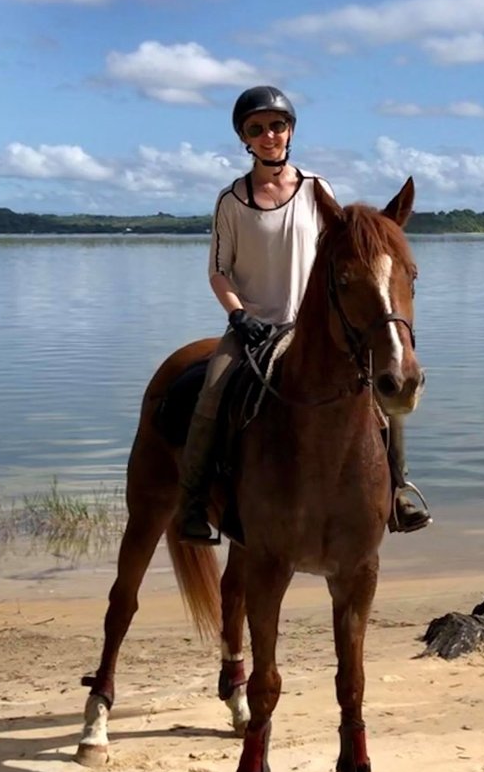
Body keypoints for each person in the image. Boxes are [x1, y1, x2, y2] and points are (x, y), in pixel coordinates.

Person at [177, 84, 431, 542]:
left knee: (384, 389)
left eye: (277, 125)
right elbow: (218, 271)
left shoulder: (317, 190)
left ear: (289, 130)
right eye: (257, 129)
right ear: (245, 139)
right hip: (251, 327)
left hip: (311, 327)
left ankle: (397, 492)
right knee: (211, 394)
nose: (269, 135)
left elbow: (341, 260)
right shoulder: (231, 200)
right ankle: (194, 502)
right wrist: (238, 316)